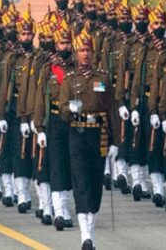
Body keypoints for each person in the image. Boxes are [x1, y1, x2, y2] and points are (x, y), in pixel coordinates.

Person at [59, 30, 118, 250]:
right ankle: (86, 236)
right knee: (81, 183)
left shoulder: (102, 78)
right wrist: (69, 110)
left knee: (94, 185)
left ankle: (91, 227)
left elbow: (111, 109)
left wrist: (115, 142)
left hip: (98, 136)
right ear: (75, 53)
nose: (85, 54)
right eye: (82, 50)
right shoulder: (69, 81)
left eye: (88, 50)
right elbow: (62, 108)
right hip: (78, 134)